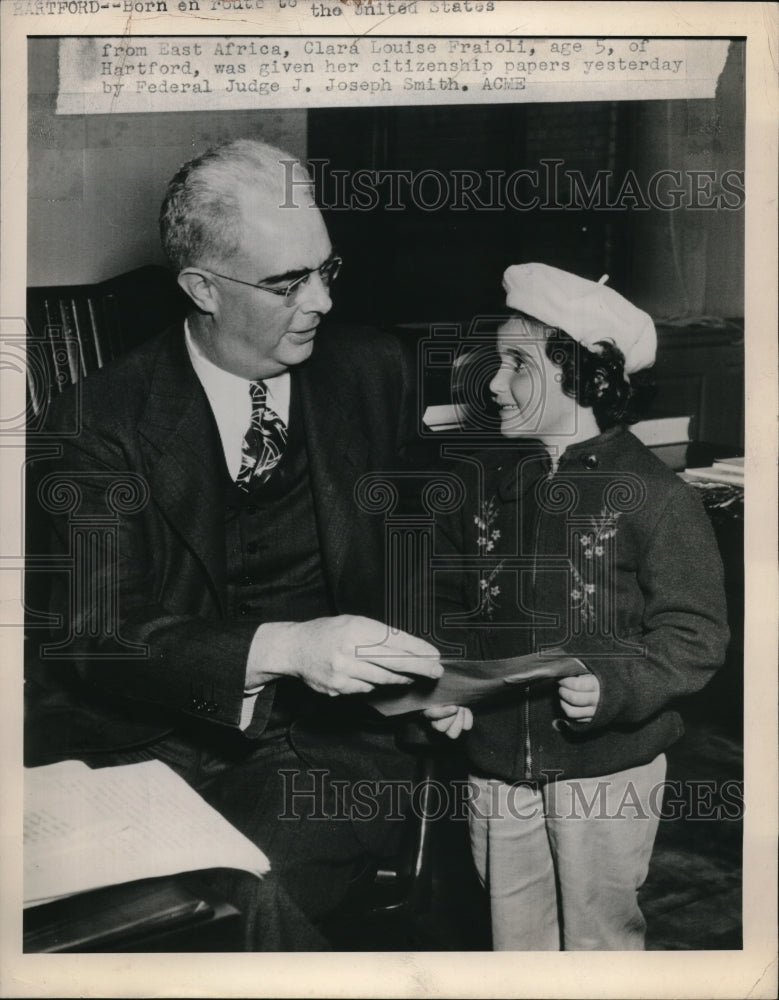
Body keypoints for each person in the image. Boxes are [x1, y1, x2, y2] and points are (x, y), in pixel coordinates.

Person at [24, 138, 442, 948]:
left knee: (238, 894)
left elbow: (427, 555)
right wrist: (286, 645)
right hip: (143, 752)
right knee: (142, 918)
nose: (320, 300)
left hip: (332, 751)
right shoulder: (95, 422)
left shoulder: (373, 373)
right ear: (202, 288)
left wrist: (447, 666)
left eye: (328, 270)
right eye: (289, 283)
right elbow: (96, 634)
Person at [425, 262, 729, 950]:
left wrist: (615, 684)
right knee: (513, 938)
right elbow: (445, 604)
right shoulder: (481, 488)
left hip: (607, 769)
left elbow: (694, 633)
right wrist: (444, 681)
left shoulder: (656, 497)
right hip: (496, 762)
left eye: (514, 365)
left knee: (599, 940)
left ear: (583, 373)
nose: (493, 384)